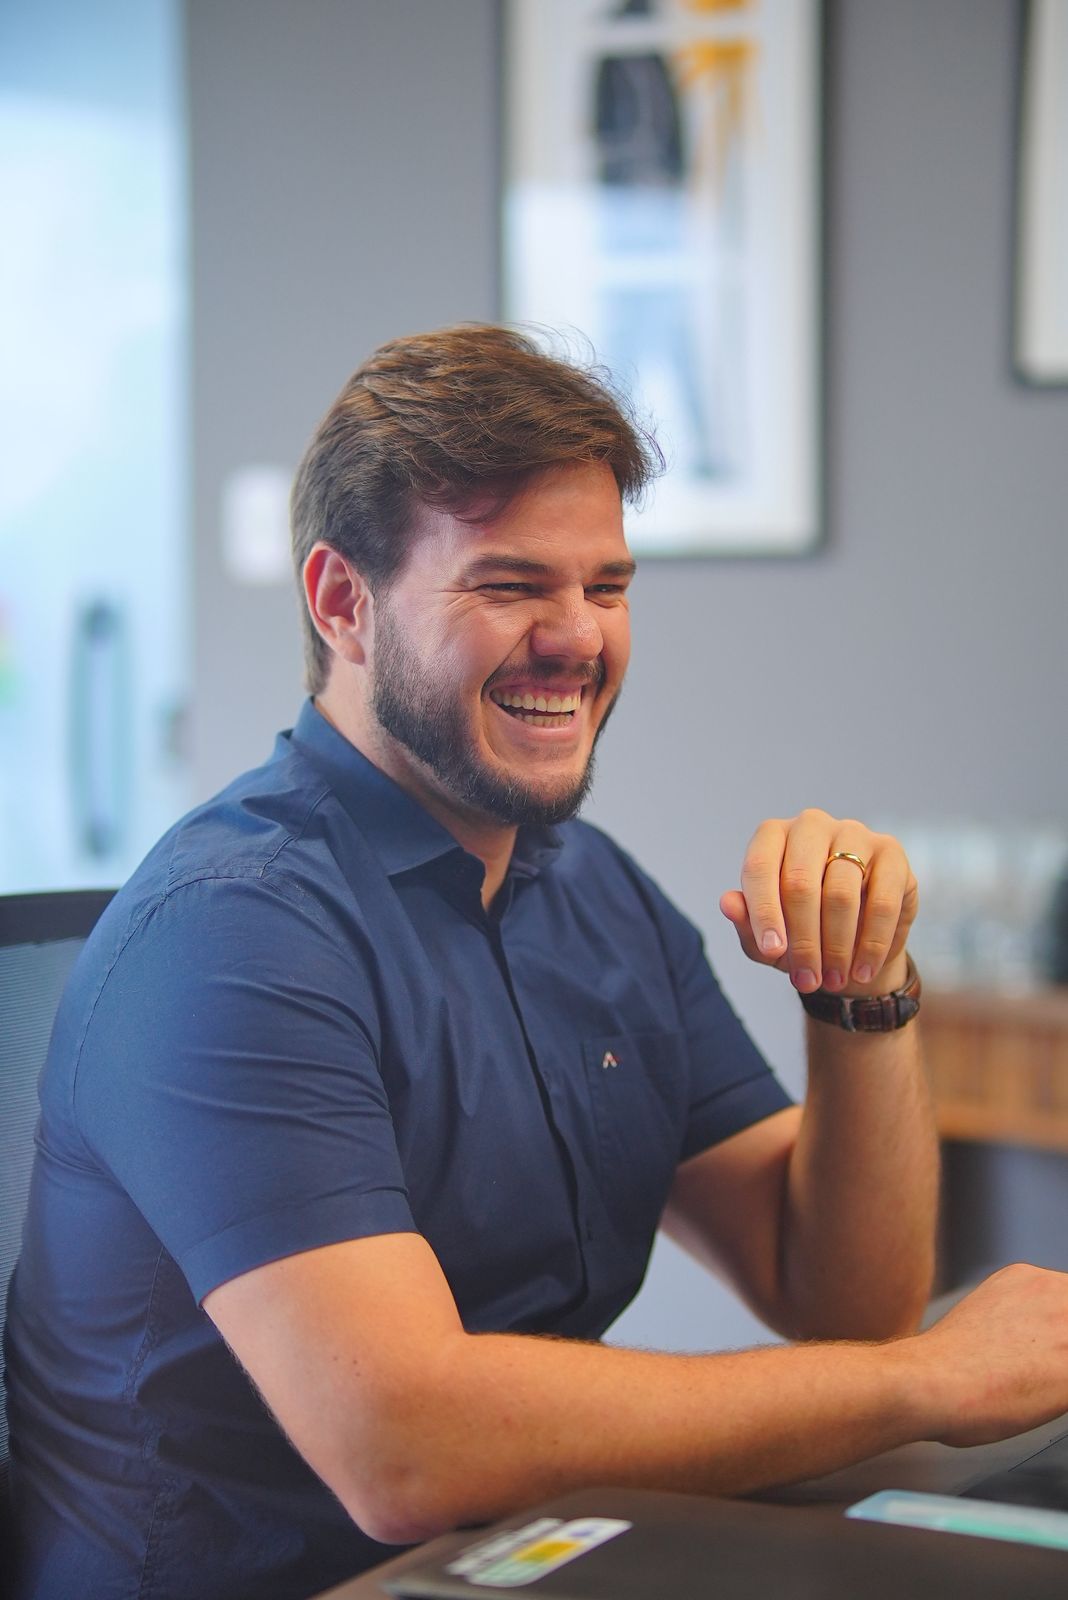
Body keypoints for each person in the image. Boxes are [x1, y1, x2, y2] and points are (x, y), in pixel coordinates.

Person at [6, 325, 1068, 1600]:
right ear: (343, 603)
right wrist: (930, 1379)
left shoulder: (589, 887)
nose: (577, 638)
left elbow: (840, 1298)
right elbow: (407, 1445)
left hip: (523, 1561)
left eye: (606, 587)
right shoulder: (232, 930)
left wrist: (867, 994)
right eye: (510, 585)